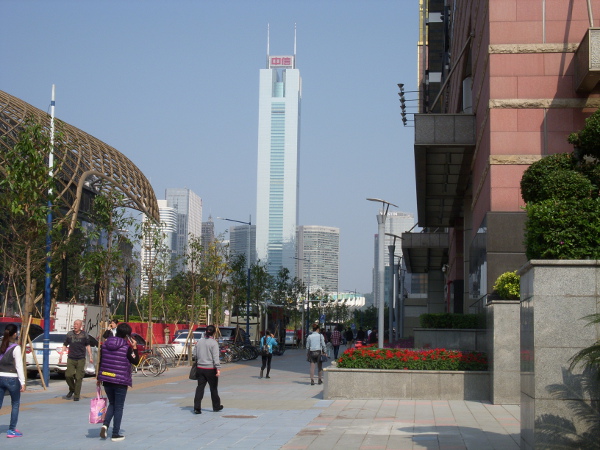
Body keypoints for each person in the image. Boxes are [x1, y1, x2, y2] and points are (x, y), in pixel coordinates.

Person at [97, 322, 140, 442]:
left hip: (106, 379)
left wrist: (98, 378)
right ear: (127, 335)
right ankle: (115, 433)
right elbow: (135, 361)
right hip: (120, 381)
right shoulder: (126, 348)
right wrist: (135, 347)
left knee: (112, 403)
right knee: (119, 407)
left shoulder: (105, 345)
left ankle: (105, 425)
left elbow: (101, 361)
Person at [0, 324, 25, 438]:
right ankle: (11, 430)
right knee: (15, 404)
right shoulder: (16, 347)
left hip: (0, 377)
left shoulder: (1, 344)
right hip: (12, 378)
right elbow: (19, 366)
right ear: (15, 334)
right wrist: (23, 382)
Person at [59, 319, 93, 401]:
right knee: (68, 375)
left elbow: (88, 345)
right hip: (71, 358)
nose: (75, 326)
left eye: (77, 324)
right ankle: (72, 389)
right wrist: (61, 354)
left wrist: (90, 356)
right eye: (74, 324)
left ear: (81, 326)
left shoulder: (84, 335)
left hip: (81, 358)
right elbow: (65, 344)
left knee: (78, 377)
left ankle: (76, 395)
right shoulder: (69, 334)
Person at [192, 324, 223, 414]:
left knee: (200, 388)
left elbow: (195, 354)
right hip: (210, 369)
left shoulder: (199, 342)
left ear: (205, 331)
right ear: (214, 333)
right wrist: (218, 368)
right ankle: (216, 406)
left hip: (200, 368)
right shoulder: (214, 343)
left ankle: (197, 408)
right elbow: (215, 357)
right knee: (213, 388)